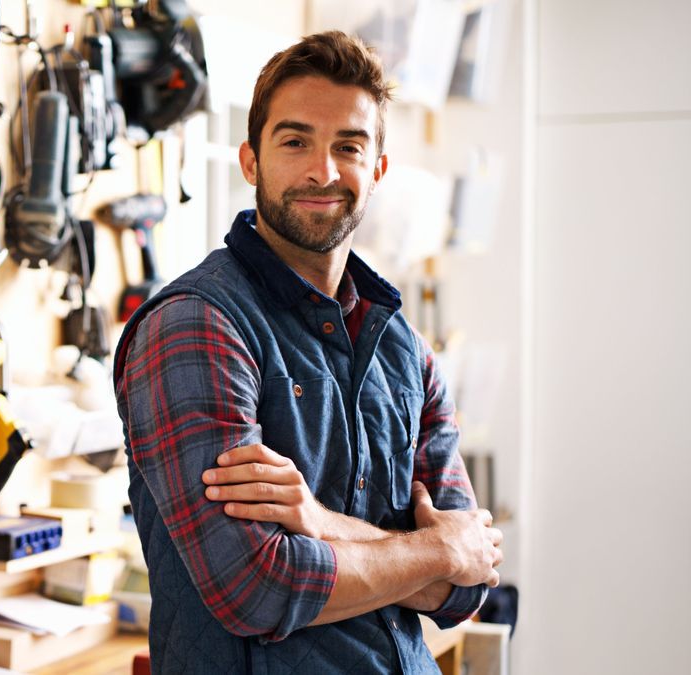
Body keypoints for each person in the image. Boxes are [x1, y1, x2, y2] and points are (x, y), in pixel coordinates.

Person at [113, 31, 503, 674]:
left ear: (377, 167)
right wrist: (436, 552)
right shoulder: (195, 326)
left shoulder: (400, 345)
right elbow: (258, 588)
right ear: (251, 161)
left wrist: (317, 522)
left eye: (347, 146)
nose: (323, 171)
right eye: (295, 142)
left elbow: (472, 584)